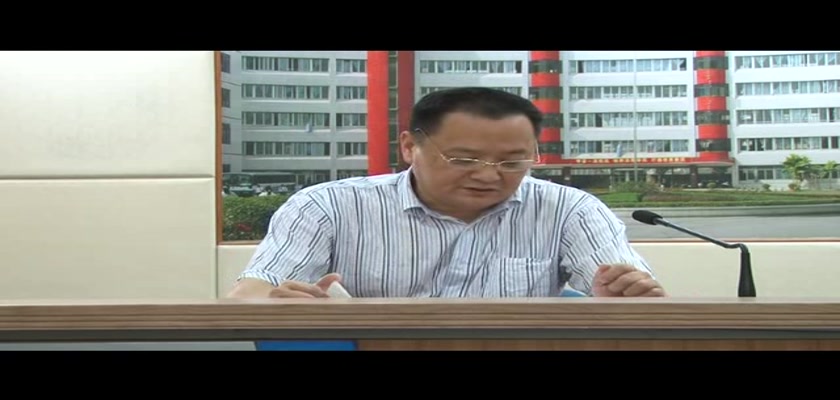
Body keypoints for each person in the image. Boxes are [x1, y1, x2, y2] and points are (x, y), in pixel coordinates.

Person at [227, 87, 665, 299]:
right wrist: (276, 302)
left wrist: (625, 297)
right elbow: (251, 294)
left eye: (513, 162)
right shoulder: (327, 206)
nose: (489, 176)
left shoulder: (570, 209)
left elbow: (637, 294)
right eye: (464, 159)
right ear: (408, 147)